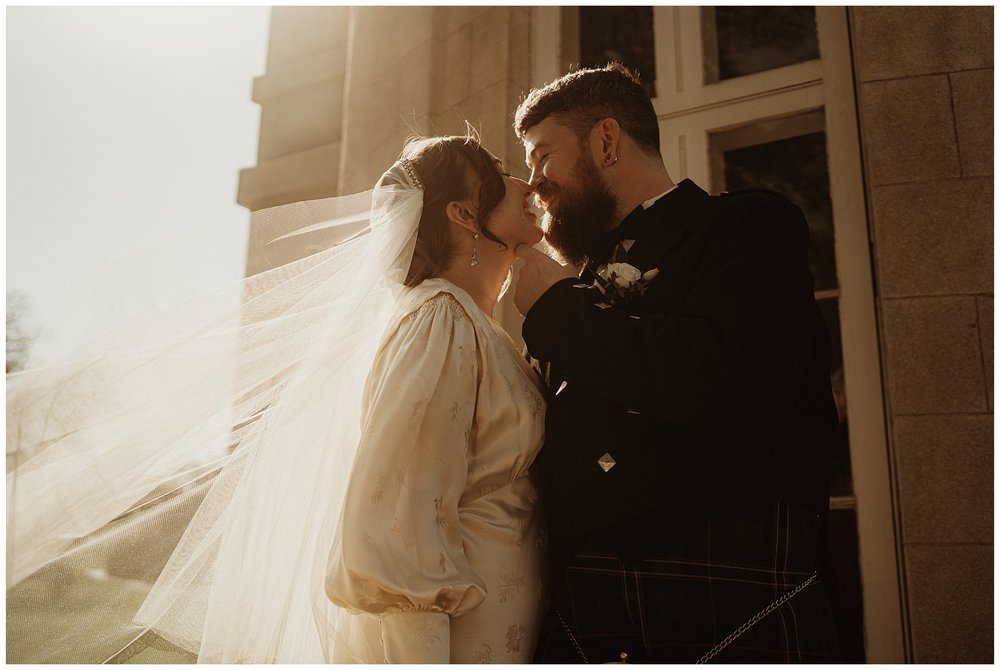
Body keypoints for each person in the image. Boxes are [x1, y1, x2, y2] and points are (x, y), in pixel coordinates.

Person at [6, 135, 547, 663]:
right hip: (464, 640)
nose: (526, 183)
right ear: (463, 214)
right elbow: (399, 512)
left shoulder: (477, 327)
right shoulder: (439, 320)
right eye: (500, 177)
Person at [511, 63, 841, 663]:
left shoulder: (744, 226)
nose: (533, 184)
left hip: (722, 569)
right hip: (584, 598)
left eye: (541, 157)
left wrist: (560, 312)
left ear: (606, 140)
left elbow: (720, 377)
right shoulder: (573, 281)